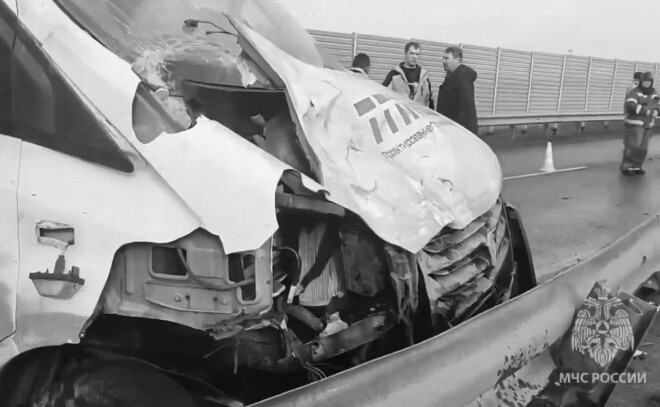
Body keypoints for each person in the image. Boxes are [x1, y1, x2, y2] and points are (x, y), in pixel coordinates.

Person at [621, 71, 660, 175]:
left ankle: (637, 166)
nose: (647, 83)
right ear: (641, 81)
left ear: (651, 82)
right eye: (645, 81)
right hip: (635, 124)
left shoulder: (654, 93)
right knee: (633, 146)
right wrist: (645, 111)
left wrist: (657, 111)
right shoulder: (634, 91)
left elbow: (658, 105)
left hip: (648, 124)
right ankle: (627, 167)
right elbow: (630, 105)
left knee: (643, 148)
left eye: (649, 81)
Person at [436, 46, 479, 135]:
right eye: (443, 58)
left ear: (457, 59)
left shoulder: (463, 77)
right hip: (450, 128)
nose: (443, 61)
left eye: (447, 58)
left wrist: (455, 130)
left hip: (459, 131)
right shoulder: (452, 76)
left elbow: (465, 107)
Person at [382, 42, 434, 108]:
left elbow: (429, 101)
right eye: (412, 53)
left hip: (418, 113)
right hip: (401, 113)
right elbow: (383, 95)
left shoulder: (424, 76)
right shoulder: (394, 74)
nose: (415, 57)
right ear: (405, 53)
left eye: (417, 54)